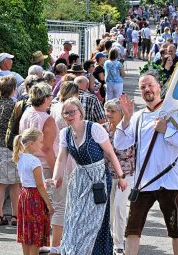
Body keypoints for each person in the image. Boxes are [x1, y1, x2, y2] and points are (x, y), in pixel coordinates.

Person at [114, 71, 178, 255]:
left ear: (159, 86)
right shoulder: (137, 117)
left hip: (169, 182)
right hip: (143, 183)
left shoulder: (175, 113)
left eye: (150, 85)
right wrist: (126, 118)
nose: (147, 89)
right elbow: (119, 144)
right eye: (142, 87)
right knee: (132, 230)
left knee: (175, 229)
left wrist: (167, 130)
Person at [52, 97, 127, 254]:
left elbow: (111, 154)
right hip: (79, 180)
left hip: (98, 179)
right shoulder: (65, 133)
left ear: (81, 112)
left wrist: (120, 176)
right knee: (74, 220)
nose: (69, 116)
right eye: (66, 113)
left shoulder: (94, 129)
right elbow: (61, 158)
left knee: (94, 221)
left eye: (72, 112)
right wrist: (55, 178)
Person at [49, 82, 79, 254]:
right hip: (65, 156)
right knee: (64, 204)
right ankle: (58, 245)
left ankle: (58, 243)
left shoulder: (54, 107)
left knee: (60, 203)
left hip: (58, 153)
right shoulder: (67, 109)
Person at [13, 128, 53, 255]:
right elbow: (39, 185)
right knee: (35, 232)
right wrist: (49, 204)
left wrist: (44, 181)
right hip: (34, 197)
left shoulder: (20, 157)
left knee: (26, 230)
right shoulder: (34, 161)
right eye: (40, 142)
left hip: (24, 195)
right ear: (31, 143)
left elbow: (31, 179)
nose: (42, 144)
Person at [102, 99, 135, 255]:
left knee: (119, 207)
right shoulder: (102, 130)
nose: (108, 114)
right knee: (108, 210)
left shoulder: (130, 130)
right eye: (106, 110)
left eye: (112, 111)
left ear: (122, 113)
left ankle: (119, 243)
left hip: (126, 175)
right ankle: (109, 239)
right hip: (107, 176)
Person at [0, 75, 21, 226]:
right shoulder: (16, 105)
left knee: (0, 183)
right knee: (14, 183)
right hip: (12, 145)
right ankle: (15, 216)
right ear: (13, 89)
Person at [19, 82, 58, 180]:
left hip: (28, 162)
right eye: (51, 96)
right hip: (45, 166)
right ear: (45, 99)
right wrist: (56, 172)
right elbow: (47, 149)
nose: (52, 98)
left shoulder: (26, 113)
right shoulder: (48, 120)